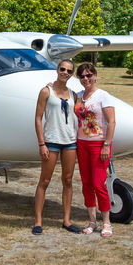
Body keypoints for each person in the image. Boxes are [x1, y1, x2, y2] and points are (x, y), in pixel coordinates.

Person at [33, 60, 81, 234]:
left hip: (69, 142)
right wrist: (42, 143)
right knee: (44, 181)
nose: (65, 73)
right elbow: (38, 118)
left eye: (69, 71)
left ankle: (66, 221)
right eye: (62, 69)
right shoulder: (46, 91)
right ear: (57, 70)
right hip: (51, 141)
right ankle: (38, 221)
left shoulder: (73, 94)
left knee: (67, 181)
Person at [74, 62, 117, 237]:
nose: (86, 79)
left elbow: (111, 122)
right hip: (81, 143)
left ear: (95, 76)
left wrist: (107, 144)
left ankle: (106, 222)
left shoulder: (103, 96)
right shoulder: (78, 96)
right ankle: (92, 220)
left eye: (89, 75)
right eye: (82, 76)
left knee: (99, 184)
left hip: (99, 143)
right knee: (86, 184)